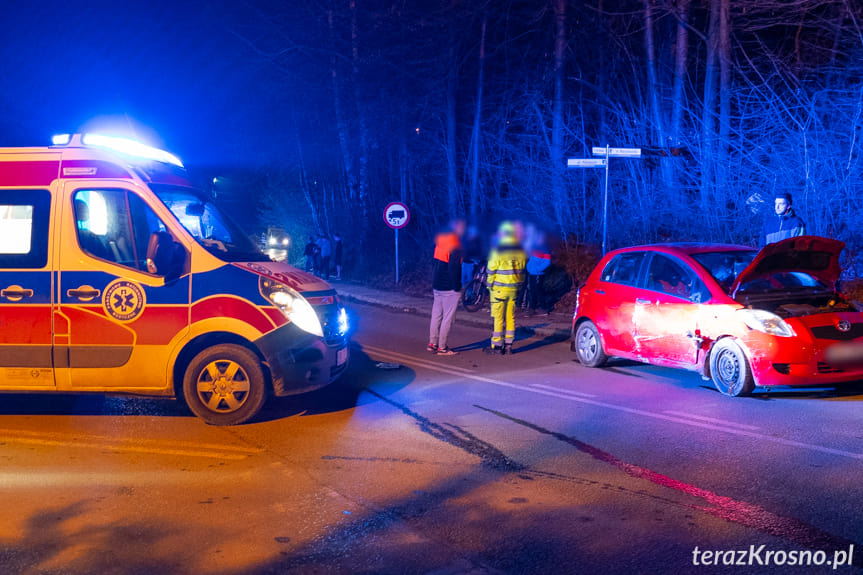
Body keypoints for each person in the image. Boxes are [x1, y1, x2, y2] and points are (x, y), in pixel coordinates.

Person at [484, 221, 527, 355]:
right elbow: (521, 271)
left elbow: (491, 269)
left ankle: (496, 347)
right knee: (511, 318)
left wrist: (489, 284)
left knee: (498, 318)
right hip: (513, 289)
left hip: (499, 289)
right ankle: (508, 346)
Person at [428, 219, 465, 356]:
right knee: (447, 318)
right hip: (449, 287)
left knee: (436, 315)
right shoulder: (455, 246)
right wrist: (457, 287)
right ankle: (442, 347)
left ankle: (432, 344)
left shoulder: (440, 243)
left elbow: (434, 264)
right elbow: (454, 269)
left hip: (437, 285)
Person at [525, 232, 552, 315]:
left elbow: (547, 262)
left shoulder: (545, 249)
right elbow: (530, 259)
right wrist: (529, 267)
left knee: (538, 290)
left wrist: (538, 269)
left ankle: (543, 308)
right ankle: (532, 308)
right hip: (532, 273)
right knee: (532, 290)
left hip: (538, 274)